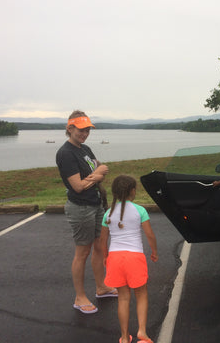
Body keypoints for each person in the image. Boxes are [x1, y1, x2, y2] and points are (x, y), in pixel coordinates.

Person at [56, 110, 117, 314]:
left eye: (87, 130)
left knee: (100, 247)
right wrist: (98, 174)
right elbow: (78, 186)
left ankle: (101, 287)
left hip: (96, 204)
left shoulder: (85, 148)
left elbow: (96, 166)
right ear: (70, 128)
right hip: (81, 207)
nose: (84, 134)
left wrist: (100, 168)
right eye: (81, 130)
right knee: (82, 253)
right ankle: (80, 297)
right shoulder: (66, 153)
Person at [100, 175, 158, 343]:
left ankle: (125, 337)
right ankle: (142, 332)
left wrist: (105, 257)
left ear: (115, 192)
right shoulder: (140, 210)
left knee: (123, 298)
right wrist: (154, 251)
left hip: (115, 258)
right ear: (133, 191)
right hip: (135, 257)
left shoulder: (108, 213)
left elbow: (103, 240)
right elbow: (149, 234)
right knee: (141, 295)